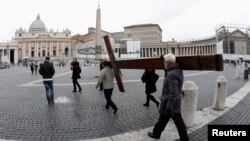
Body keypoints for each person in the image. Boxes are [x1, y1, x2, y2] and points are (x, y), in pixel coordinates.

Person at [148, 53, 189, 141]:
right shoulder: (177, 70)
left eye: (165, 62)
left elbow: (173, 93)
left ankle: (156, 134)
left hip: (169, 103)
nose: (164, 64)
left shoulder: (171, 75)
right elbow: (167, 70)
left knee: (173, 121)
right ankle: (156, 133)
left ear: (169, 63)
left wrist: (169, 108)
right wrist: (164, 58)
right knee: (165, 120)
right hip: (174, 102)